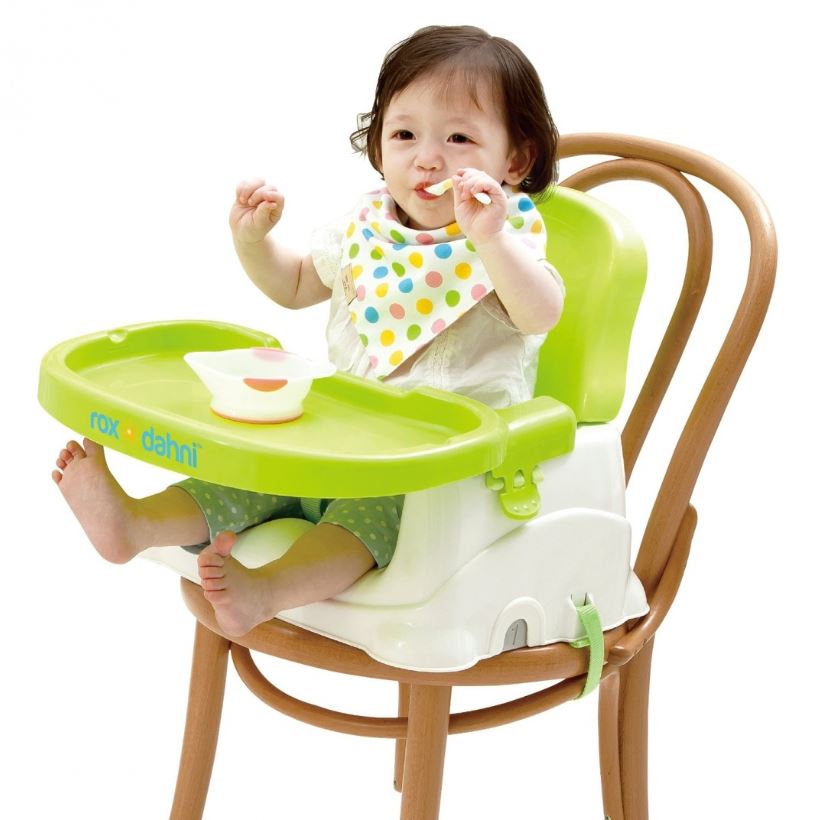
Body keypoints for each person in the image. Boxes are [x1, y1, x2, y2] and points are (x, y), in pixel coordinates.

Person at [52, 25, 565, 638]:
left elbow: (540, 313)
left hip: (437, 473)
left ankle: (266, 588)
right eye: (404, 135)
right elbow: (295, 284)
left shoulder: (505, 237)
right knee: (251, 475)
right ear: (378, 145)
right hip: (342, 439)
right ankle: (136, 523)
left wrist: (491, 240)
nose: (427, 158)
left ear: (515, 161)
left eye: (459, 138)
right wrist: (254, 242)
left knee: (364, 520)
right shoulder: (368, 229)